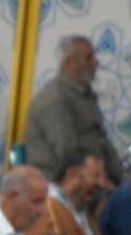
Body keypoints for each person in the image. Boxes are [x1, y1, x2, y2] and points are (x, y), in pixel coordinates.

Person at [22, 34, 125, 176]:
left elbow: (100, 139)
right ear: (70, 62)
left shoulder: (83, 93)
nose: (96, 62)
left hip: (90, 175)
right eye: (88, 58)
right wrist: (100, 179)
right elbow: (67, 152)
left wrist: (116, 175)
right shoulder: (56, 98)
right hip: (60, 178)